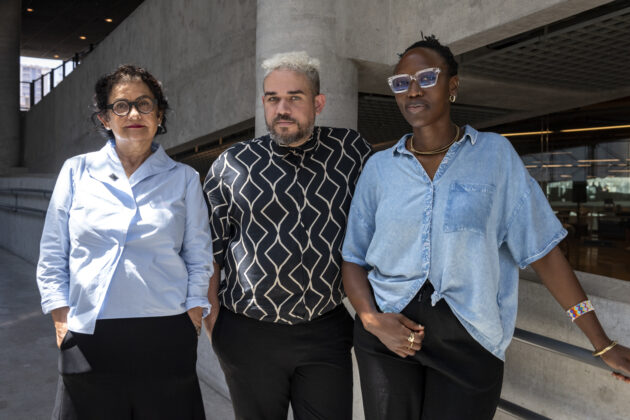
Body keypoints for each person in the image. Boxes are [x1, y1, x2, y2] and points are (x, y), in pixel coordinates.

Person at [341, 35, 630, 420]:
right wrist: (371, 319)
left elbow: (543, 251)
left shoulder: (494, 155)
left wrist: (601, 343)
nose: (412, 90)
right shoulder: (379, 168)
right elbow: (353, 257)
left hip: (470, 340)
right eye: (401, 83)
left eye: (426, 78)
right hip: (388, 334)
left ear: (453, 86)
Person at [37, 64, 212, 419]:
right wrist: (60, 316)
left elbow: (199, 255)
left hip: (165, 333)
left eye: (144, 104)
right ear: (104, 119)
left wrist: (194, 312)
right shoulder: (76, 171)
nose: (133, 113)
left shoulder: (184, 178)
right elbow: (54, 250)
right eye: (121, 106)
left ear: (159, 115)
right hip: (89, 331)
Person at [203, 51, 372, 420]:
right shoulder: (232, 164)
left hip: (325, 330)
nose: (282, 108)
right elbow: (210, 251)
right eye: (272, 98)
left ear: (318, 103)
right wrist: (215, 323)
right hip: (247, 333)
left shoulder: (350, 152)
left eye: (295, 97)